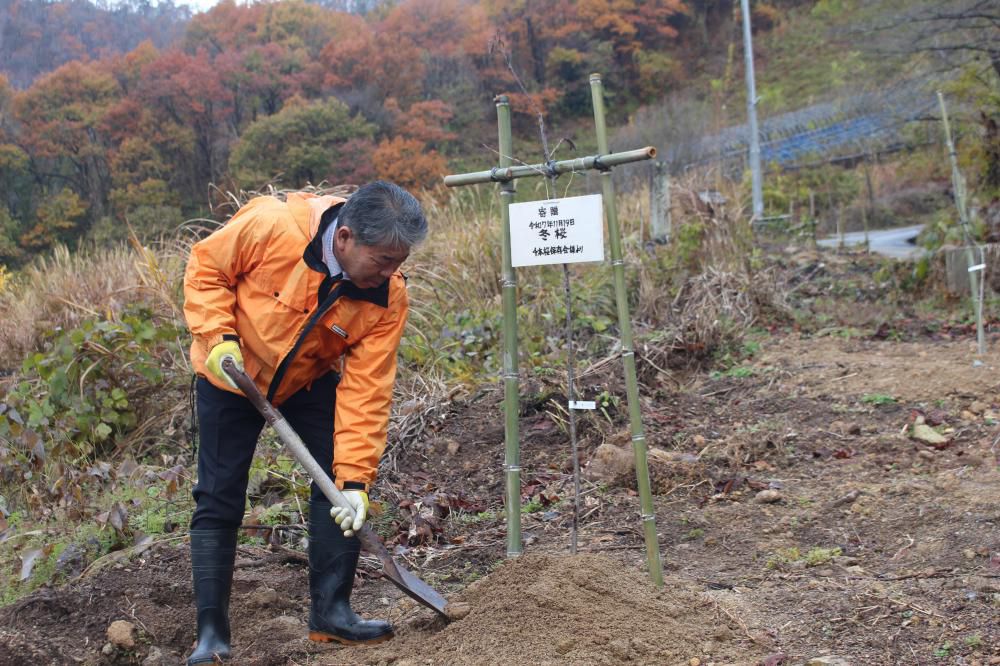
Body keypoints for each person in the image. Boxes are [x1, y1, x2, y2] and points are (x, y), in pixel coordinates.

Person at [182, 181, 427, 665]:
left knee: (337, 482)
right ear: (345, 238)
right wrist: (217, 337)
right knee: (218, 494)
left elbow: (367, 391)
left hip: (306, 380)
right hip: (231, 372)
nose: (390, 273)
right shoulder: (271, 226)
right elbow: (206, 269)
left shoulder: (387, 297)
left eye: (399, 262)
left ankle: (332, 614)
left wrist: (355, 482)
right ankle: (211, 634)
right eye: (383, 260)